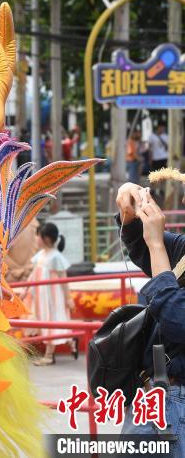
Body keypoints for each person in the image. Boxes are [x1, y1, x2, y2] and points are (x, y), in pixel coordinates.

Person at [116, 181, 185, 449]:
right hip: (152, 395)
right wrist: (131, 213)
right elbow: (141, 245)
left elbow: (177, 318)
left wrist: (156, 244)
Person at [26, 222, 77, 366]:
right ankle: (72, 342)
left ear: (46, 238)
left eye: (38, 236)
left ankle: (49, 355)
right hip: (43, 296)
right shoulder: (41, 255)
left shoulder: (55, 257)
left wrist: (68, 298)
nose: (36, 238)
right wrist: (25, 289)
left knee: (53, 320)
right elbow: (33, 273)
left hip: (53, 297)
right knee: (53, 320)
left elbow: (63, 278)